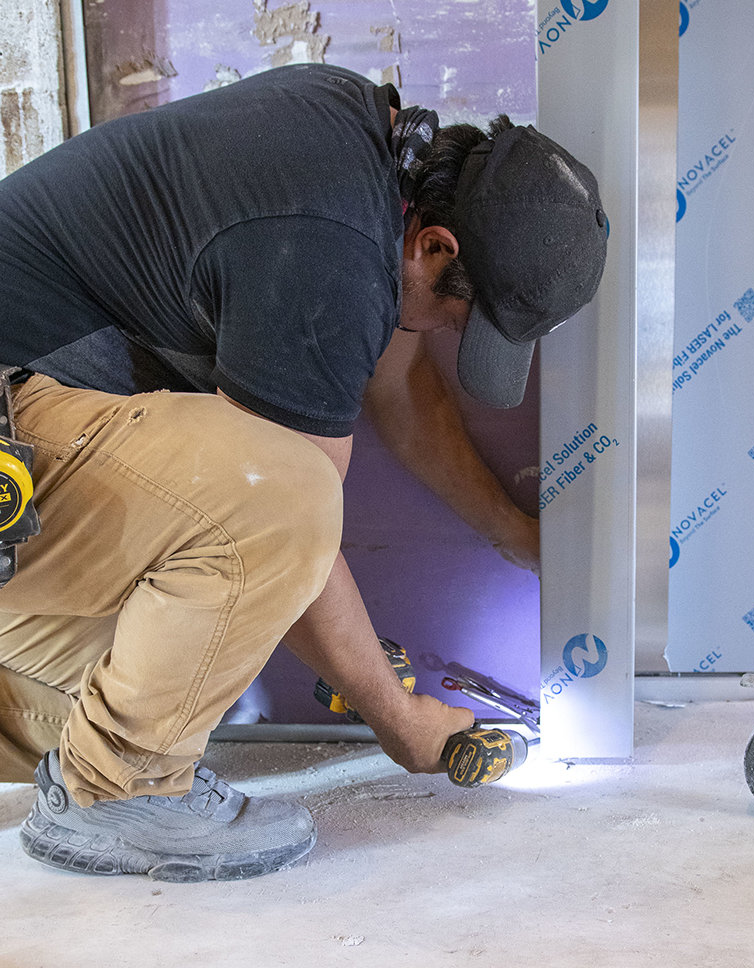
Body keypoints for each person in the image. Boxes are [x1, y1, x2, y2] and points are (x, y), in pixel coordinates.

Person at [0, 63, 607, 881]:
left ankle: (91, 757)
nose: (444, 334)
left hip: (34, 450)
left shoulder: (366, 151)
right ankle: (118, 795)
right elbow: (282, 512)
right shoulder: (326, 244)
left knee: (161, 682)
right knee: (279, 495)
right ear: (435, 246)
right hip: (15, 438)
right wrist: (398, 718)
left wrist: (516, 536)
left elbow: (397, 383)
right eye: (459, 319)